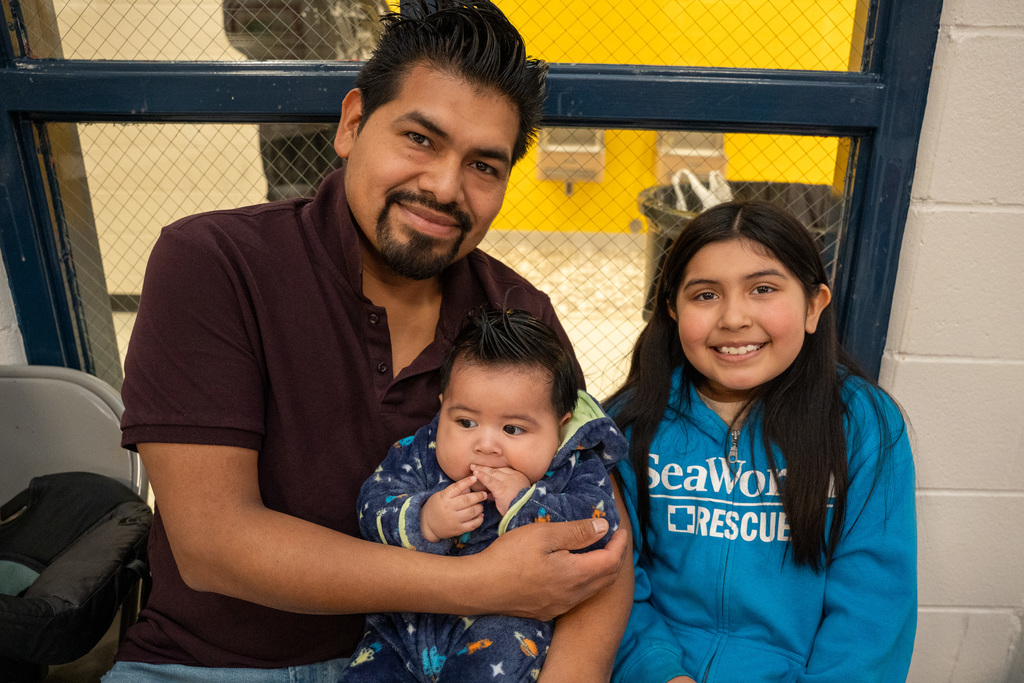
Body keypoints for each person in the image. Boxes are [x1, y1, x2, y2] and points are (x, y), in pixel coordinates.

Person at [106, 2, 630, 681]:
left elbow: (601, 538)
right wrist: (479, 584)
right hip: (216, 665)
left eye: (484, 166)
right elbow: (215, 541)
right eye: (420, 139)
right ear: (352, 123)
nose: (445, 187)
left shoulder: (519, 315)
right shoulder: (213, 262)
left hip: (447, 665)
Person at [607, 200, 916, 682]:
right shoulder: (628, 423)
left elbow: (873, 605)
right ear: (671, 309)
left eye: (763, 289)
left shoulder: (863, 423)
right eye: (705, 295)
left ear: (814, 305)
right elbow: (613, 578)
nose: (733, 318)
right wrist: (659, 673)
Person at [339, 308, 628, 681]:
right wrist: (422, 517)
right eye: (466, 422)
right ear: (442, 406)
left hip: (504, 632)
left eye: (513, 428)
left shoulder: (574, 468)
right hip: (403, 630)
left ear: (561, 424)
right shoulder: (419, 453)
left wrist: (526, 503)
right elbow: (372, 502)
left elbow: (598, 531)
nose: (485, 444)